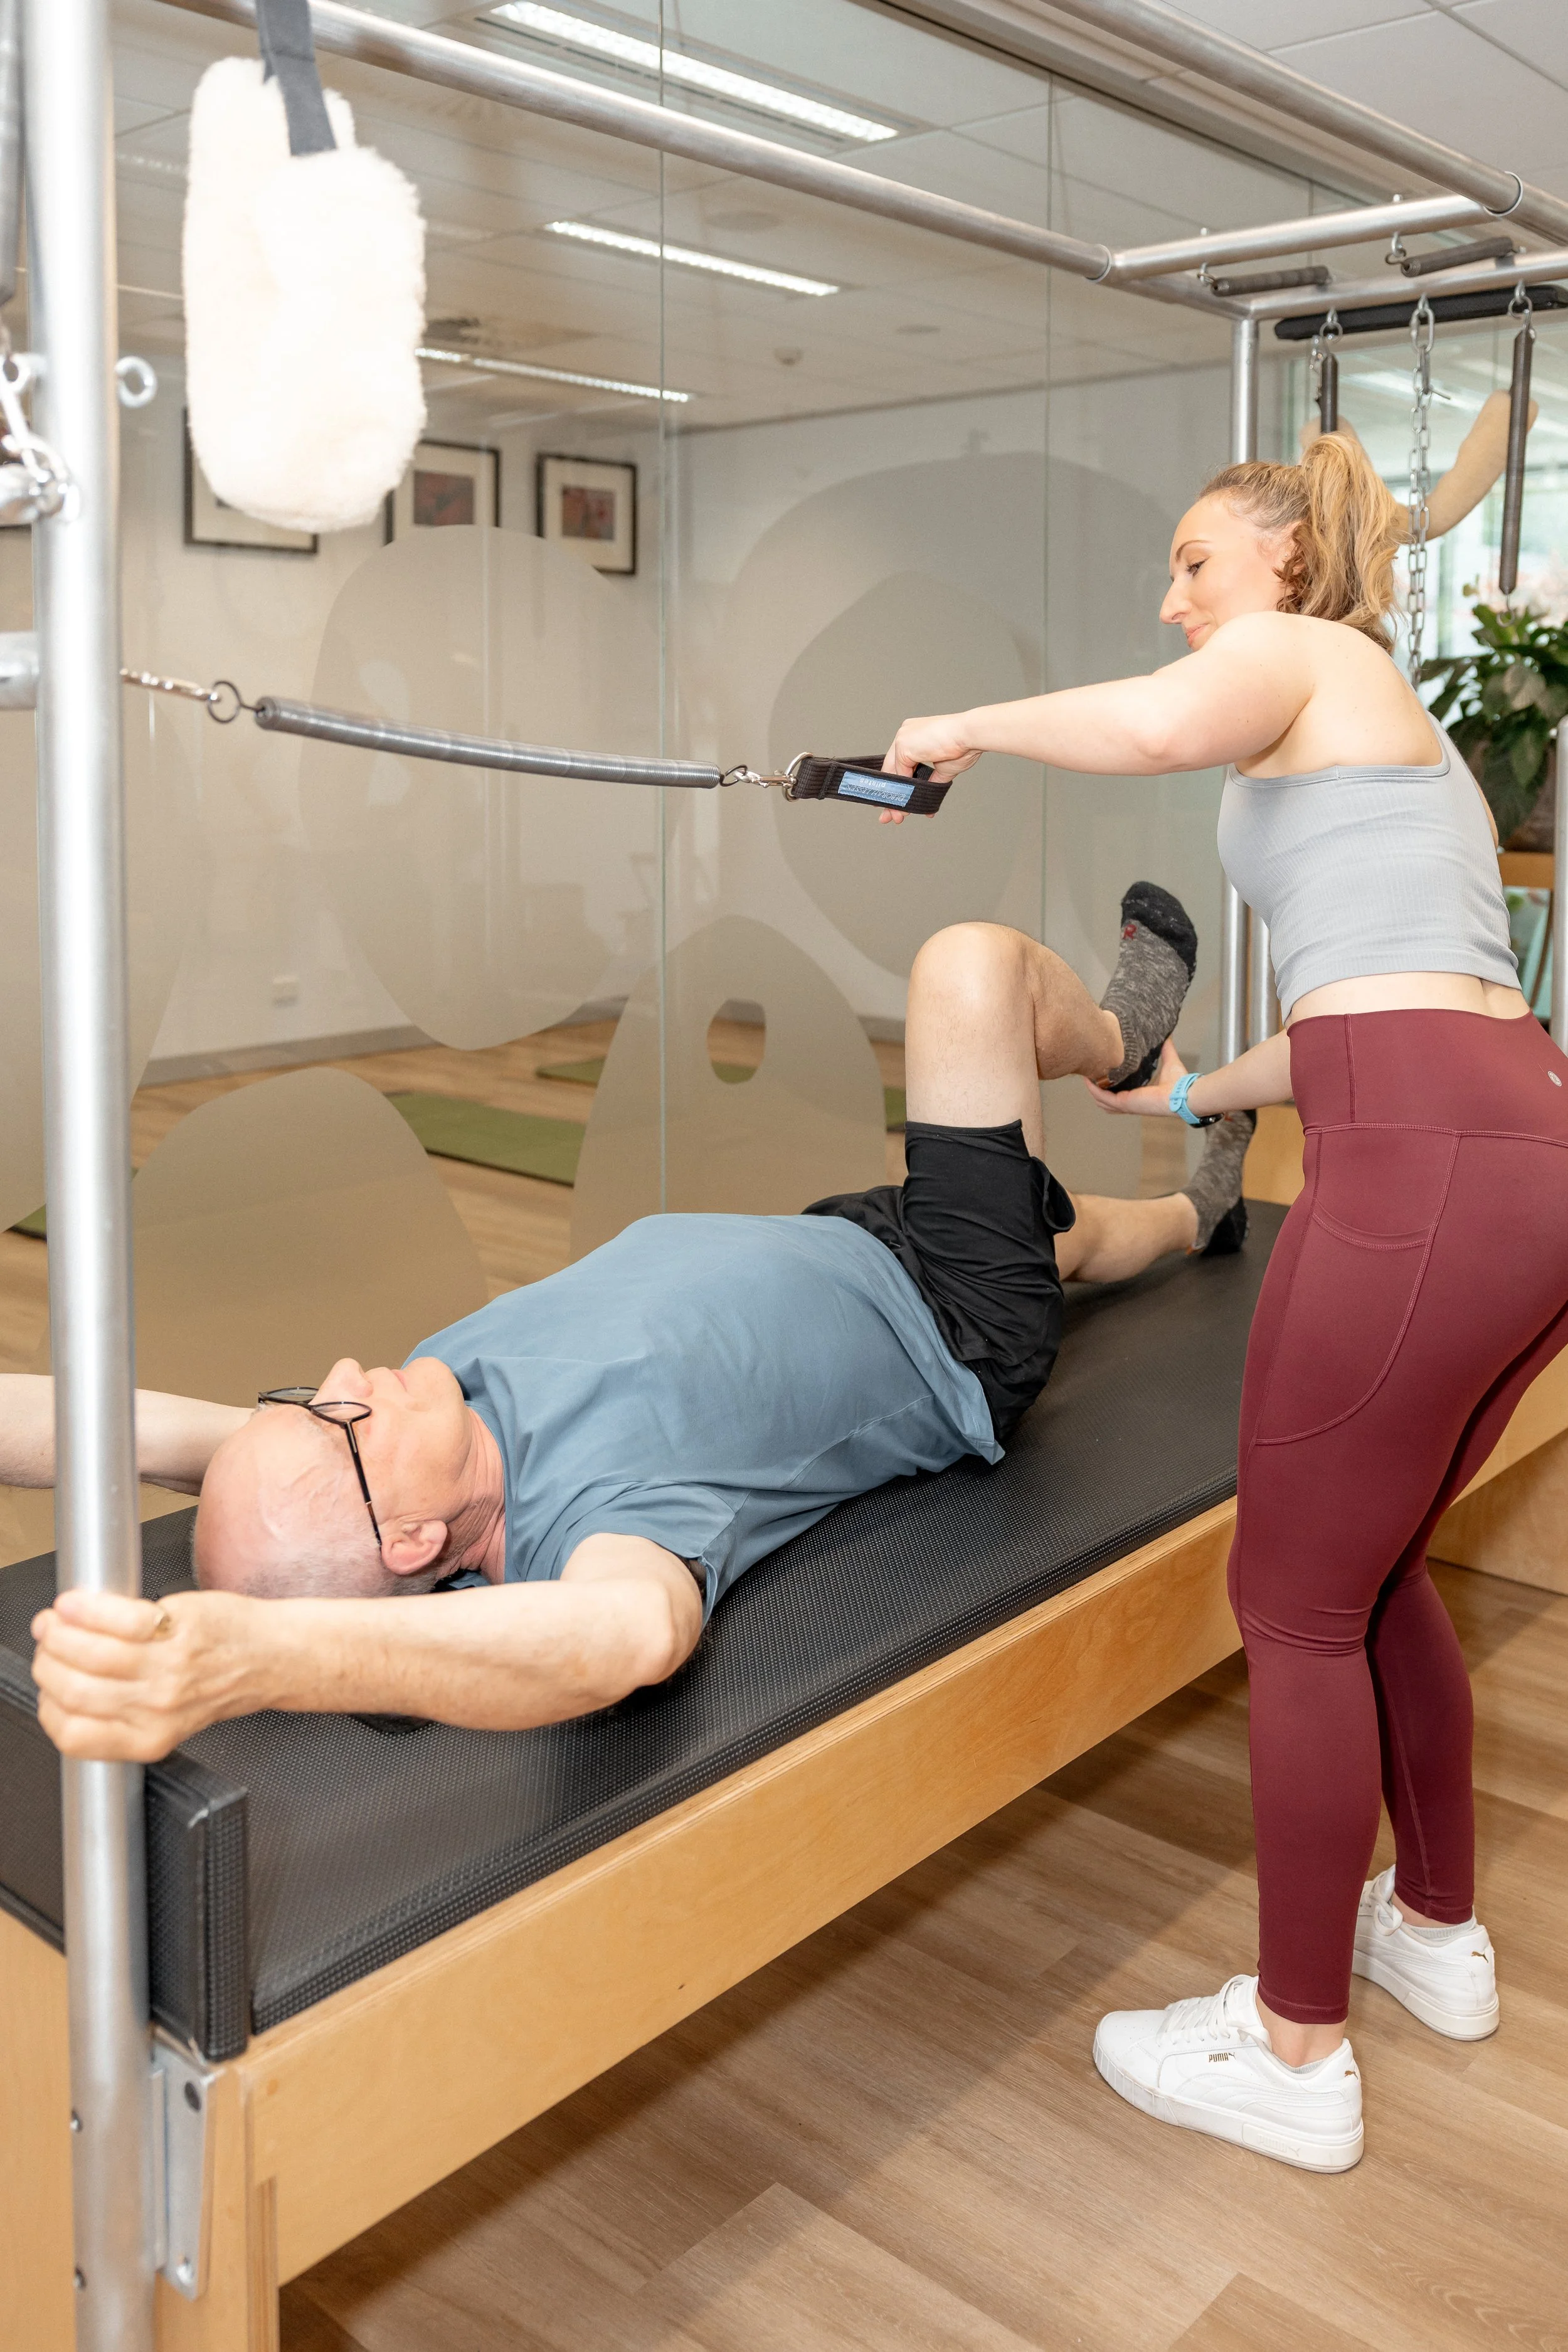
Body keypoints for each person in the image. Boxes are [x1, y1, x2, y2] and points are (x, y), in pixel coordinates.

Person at [881, 431, 1568, 2175]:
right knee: (1381, 1559)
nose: (1173, 596)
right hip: (1508, 1142)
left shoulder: (1306, 652)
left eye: (1195, 561)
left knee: (1293, 1605)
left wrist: (965, 721)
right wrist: (1196, 1098)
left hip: (1417, 1166)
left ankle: (1290, 2045)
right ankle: (1429, 1930)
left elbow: (1143, 727)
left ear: (1280, 559)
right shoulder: (1378, 719)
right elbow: (1386, 992)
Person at [21, 901, 1254, 1766]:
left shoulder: (394, 1442)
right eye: (337, 1415)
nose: (346, 1376)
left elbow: (101, 1426)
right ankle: (1120, 1040)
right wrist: (249, 1659)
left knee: (1075, 1237)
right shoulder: (591, 1523)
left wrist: (290, 1457)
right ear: (406, 1540)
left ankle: (1196, 1217)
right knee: (970, 973)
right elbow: (624, 1639)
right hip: (952, 1332)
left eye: (305, 1392)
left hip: (842, 1241)